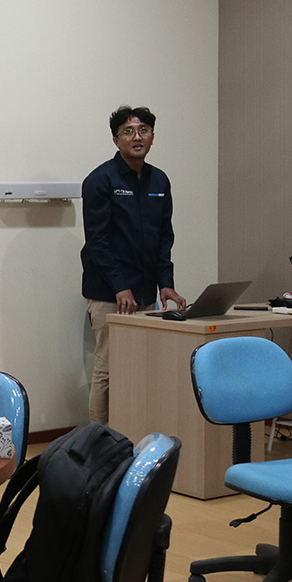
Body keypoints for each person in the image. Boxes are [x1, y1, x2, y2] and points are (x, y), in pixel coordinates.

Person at [80, 106, 186, 425]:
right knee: (108, 369)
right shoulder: (99, 180)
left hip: (144, 292)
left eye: (144, 130)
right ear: (116, 140)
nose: (137, 137)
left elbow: (164, 237)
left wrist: (166, 283)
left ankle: (133, 431)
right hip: (108, 292)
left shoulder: (159, 180)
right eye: (128, 131)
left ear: (152, 137)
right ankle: (100, 440)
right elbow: (98, 241)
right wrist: (120, 286)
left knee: (142, 368)